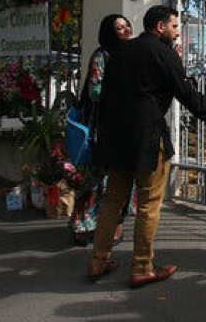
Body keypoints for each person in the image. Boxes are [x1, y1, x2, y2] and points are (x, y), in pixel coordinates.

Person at [88, 5, 206, 288]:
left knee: (112, 200)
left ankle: (98, 260)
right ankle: (143, 266)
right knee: (148, 204)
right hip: (147, 138)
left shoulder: (119, 52)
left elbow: (103, 97)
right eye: (175, 27)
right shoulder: (163, 52)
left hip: (116, 138)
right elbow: (190, 98)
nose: (178, 33)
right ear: (160, 27)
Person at [70, 14, 134, 246]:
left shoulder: (131, 55)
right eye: (119, 28)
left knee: (122, 180)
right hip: (104, 128)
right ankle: (82, 224)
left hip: (127, 127)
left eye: (127, 26)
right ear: (109, 32)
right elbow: (95, 91)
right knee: (95, 180)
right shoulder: (102, 56)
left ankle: (116, 228)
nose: (126, 30)